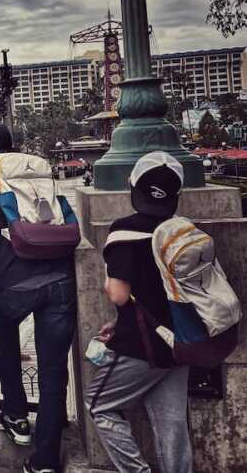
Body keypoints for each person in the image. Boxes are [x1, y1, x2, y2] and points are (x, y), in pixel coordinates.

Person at [0, 123, 75, 473]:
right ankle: (46, 458)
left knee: (2, 330)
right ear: (12, 147)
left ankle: (15, 413)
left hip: (17, 279)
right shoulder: (35, 169)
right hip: (61, 275)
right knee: (53, 368)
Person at [86, 152, 193, 473]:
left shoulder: (123, 232)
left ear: (133, 188)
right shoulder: (184, 231)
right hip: (185, 340)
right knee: (172, 426)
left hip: (141, 344)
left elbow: (119, 294)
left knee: (98, 405)